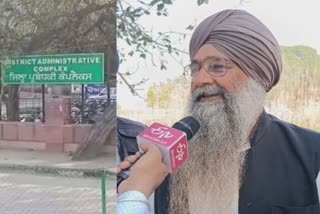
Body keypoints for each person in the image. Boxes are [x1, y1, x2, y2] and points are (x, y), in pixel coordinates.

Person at [117, 9, 320, 214]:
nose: (200, 80)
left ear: (256, 75)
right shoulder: (162, 162)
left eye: (217, 66)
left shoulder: (312, 155)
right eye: (195, 69)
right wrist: (132, 191)